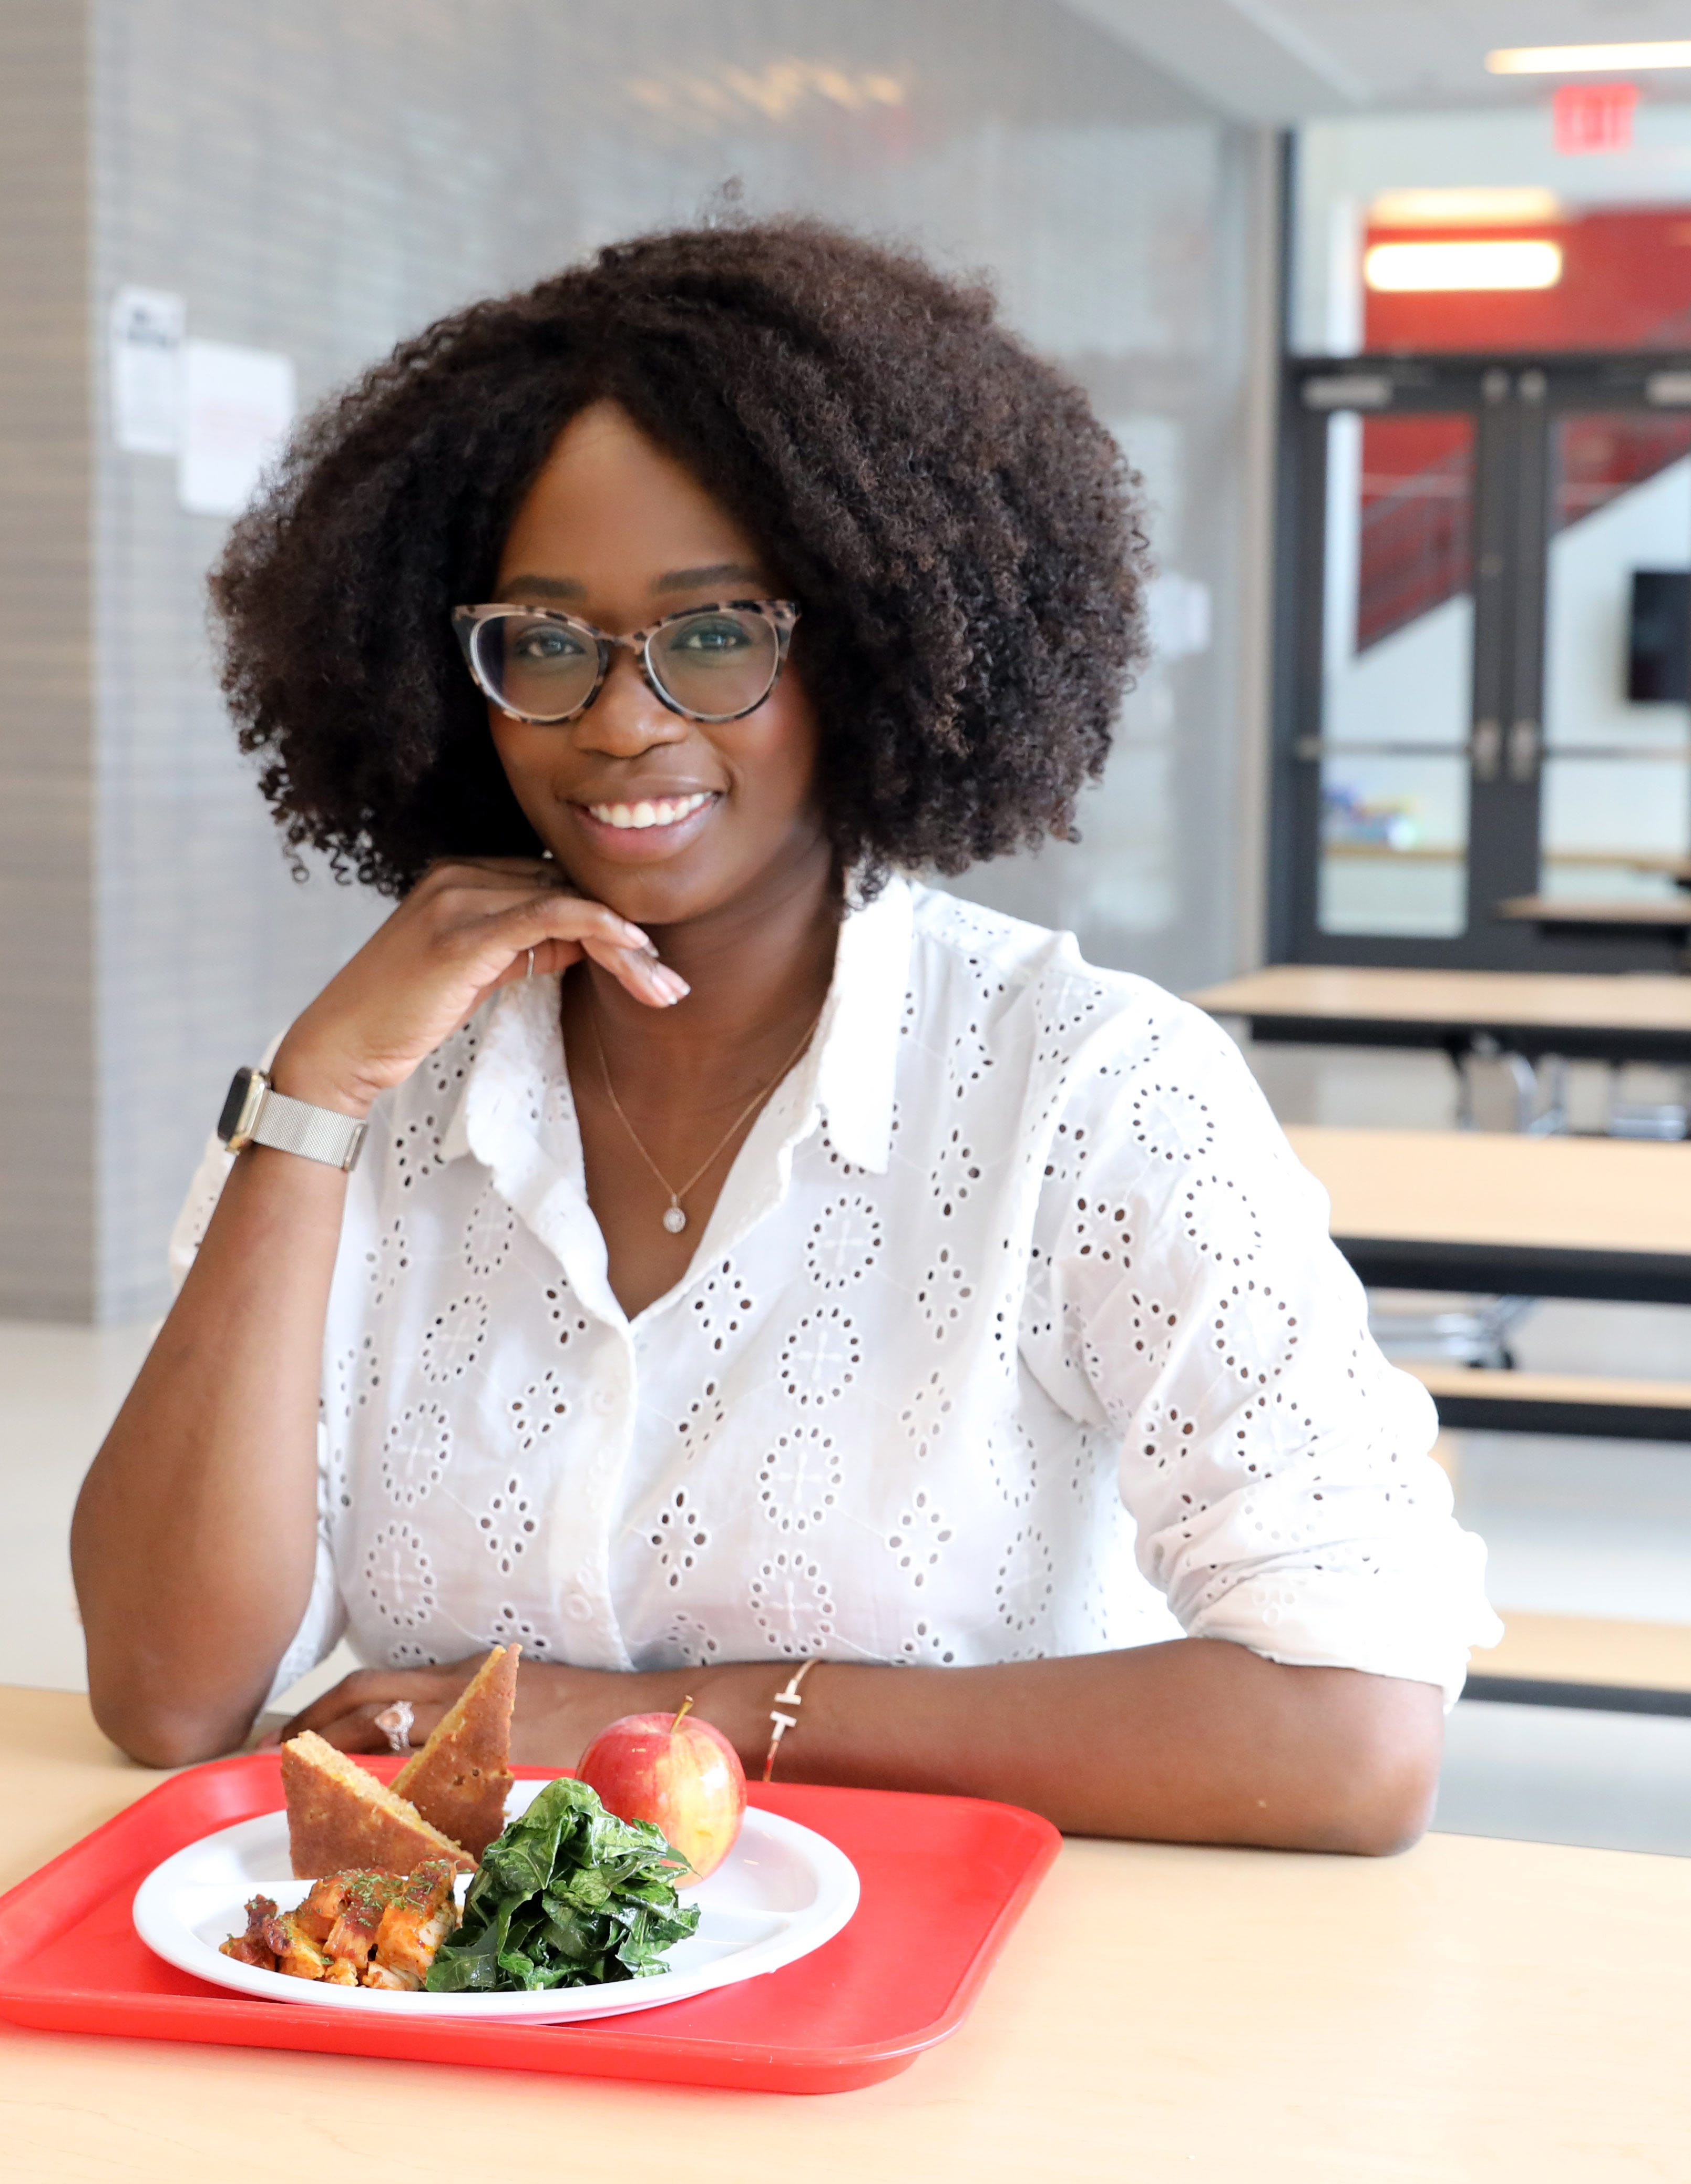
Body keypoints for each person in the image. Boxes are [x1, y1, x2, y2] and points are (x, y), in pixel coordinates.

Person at [73, 221, 1493, 1853]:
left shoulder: (1088, 1088)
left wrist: (677, 1721)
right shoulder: (379, 1093)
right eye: (544, 641)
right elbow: (167, 1695)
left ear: (876, 642)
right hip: (458, 1983)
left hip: (952, 1982)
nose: (620, 719)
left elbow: (1350, 1737)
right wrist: (309, 1106)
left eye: (714, 635)